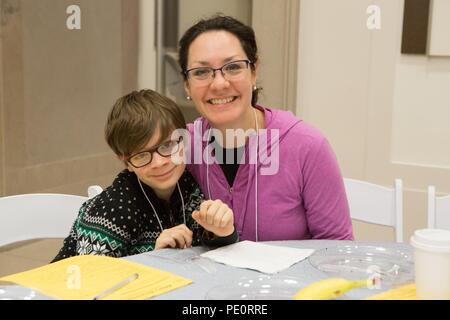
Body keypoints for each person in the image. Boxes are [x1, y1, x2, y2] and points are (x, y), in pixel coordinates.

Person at [178, 15, 353, 242]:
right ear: (186, 85)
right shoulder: (180, 148)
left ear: (254, 72)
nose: (219, 83)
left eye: (232, 67)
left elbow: (337, 247)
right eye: (201, 72)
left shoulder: (307, 146)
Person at [52, 89, 238, 262]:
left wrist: (221, 231)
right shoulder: (112, 210)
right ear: (126, 162)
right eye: (142, 155)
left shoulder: (187, 185)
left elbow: (203, 246)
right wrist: (154, 258)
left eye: (167, 145)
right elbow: (93, 282)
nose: (159, 162)